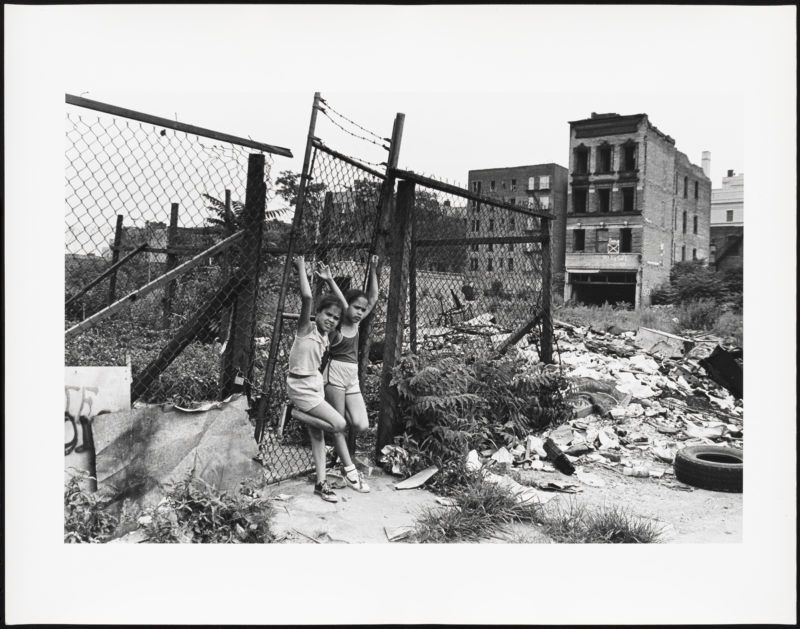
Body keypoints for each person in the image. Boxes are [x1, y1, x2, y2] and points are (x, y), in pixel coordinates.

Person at [284, 256, 349, 503]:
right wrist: (302, 267)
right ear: (317, 314)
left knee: (318, 436)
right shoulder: (306, 329)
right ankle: (294, 413)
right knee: (339, 424)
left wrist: (330, 279)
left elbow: (344, 308)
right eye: (327, 315)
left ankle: (321, 484)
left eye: (334, 318)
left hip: (315, 384)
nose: (331, 319)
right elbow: (307, 297)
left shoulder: (327, 336)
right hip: (300, 386)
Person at [322, 254, 380, 494]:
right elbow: (344, 305)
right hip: (335, 374)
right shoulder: (338, 325)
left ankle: (333, 420)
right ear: (347, 306)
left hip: (351, 376)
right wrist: (329, 280)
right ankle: (349, 472)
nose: (359, 312)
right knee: (339, 426)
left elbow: (374, 298)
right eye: (356, 307)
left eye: (362, 310)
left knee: (361, 424)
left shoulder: (356, 323)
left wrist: (373, 268)